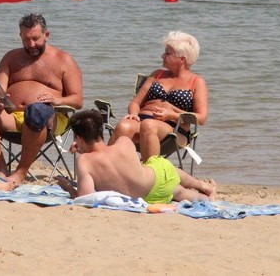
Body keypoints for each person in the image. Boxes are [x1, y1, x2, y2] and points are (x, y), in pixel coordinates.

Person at [0, 13, 84, 187]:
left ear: (47, 35)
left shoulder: (64, 60)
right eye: (26, 39)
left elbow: (77, 100)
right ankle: (2, 169)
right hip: (12, 115)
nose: (31, 45)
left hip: (50, 118)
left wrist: (56, 99)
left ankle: (21, 172)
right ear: (20, 36)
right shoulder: (11, 58)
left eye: (36, 38)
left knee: (36, 111)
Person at [56, 110, 216, 203]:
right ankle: (204, 187)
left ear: (79, 139)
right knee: (159, 165)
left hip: (150, 196)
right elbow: (112, 161)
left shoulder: (84, 161)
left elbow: (85, 198)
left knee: (180, 193)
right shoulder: (124, 142)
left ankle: (205, 197)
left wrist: (68, 187)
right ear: (100, 132)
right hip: (157, 178)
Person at [110, 31, 208, 162]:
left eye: (167, 53)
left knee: (149, 125)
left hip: (174, 129)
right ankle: (103, 169)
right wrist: (134, 114)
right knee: (124, 126)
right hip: (142, 120)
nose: (162, 56)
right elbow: (135, 102)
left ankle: (151, 174)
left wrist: (171, 115)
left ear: (181, 59)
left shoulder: (196, 82)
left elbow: (201, 118)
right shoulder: (157, 75)